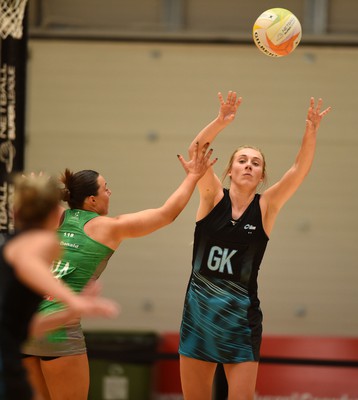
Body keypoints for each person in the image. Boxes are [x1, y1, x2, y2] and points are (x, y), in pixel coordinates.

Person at [22, 142, 216, 400]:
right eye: (106, 188)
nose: (110, 192)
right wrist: (193, 175)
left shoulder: (55, 216)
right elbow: (166, 214)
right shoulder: (106, 227)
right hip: (59, 330)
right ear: (92, 200)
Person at [178, 91, 331, 400]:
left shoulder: (266, 206)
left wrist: (311, 131)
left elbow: (298, 170)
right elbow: (196, 151)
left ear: (262, 176)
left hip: (240, 321)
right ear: (229, 170)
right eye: (242, 160)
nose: (249, 166)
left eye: (256, 163)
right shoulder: (211, 198)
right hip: (199, 317)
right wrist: (221, 121)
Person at [0, 174, 119, 400]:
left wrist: (71, 310)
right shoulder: (31, 246)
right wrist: (71, 299)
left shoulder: (14, 245)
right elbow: (30, 265)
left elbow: (22, 328)